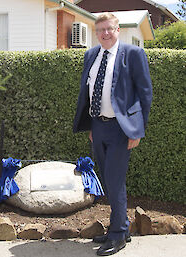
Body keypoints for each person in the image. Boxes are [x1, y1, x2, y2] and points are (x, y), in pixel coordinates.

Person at [73, 13, 152, 256]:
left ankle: (117, 234)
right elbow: (88, 92)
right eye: (100, 30)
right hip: (99, 127)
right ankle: (121, 227)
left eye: (109, 29)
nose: (105, 34)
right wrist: (91, 127)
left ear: (118, 30)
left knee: (115, 180)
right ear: (96, 33)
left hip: (121, 128)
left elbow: (144, 93)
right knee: (107, 180)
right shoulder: (91, 55)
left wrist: (138, 129)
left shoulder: (133, 54)